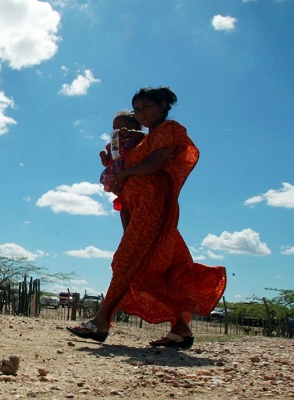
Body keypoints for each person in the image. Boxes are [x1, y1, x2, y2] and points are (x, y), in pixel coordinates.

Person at [68, 87, 227, 348]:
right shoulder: (144, 139)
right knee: (157, 269)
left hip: (155, 208)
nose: (142, 114)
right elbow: (128, 163)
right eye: (138, 110)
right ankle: (180, 329)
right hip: (139, 209)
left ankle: (100, 322)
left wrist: (125, 176)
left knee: (128, 260)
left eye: (147, 107)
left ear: (162, 105)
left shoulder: (170, 129)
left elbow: (154, 164)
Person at [99, 111, 145, 230]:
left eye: (120, 125)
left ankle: (130, 230)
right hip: (117, 171)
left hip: (130, 171)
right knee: (124, 206)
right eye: (114, 127)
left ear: (133, 126)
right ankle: (127, 233)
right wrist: (104, 158)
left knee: (131, 206)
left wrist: (129, 133)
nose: (116, 128)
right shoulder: (113, 144)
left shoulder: (135, 138)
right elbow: (109, 161)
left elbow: (142, 135)